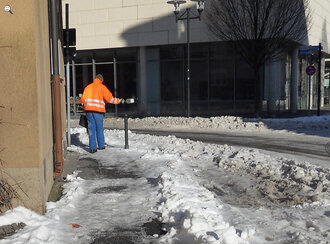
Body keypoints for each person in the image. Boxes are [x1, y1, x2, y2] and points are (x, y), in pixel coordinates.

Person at [80, 74, 125, 153]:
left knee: (91, 129)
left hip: (89, 112)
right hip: (98, 112)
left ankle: (92, 148)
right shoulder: (102, 87)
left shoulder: (88, 87)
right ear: (101, 80)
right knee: (99, 128)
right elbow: (110, 99)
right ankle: (101, 146)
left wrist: (87, 107)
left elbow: (82, 101)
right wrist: (119, 101)